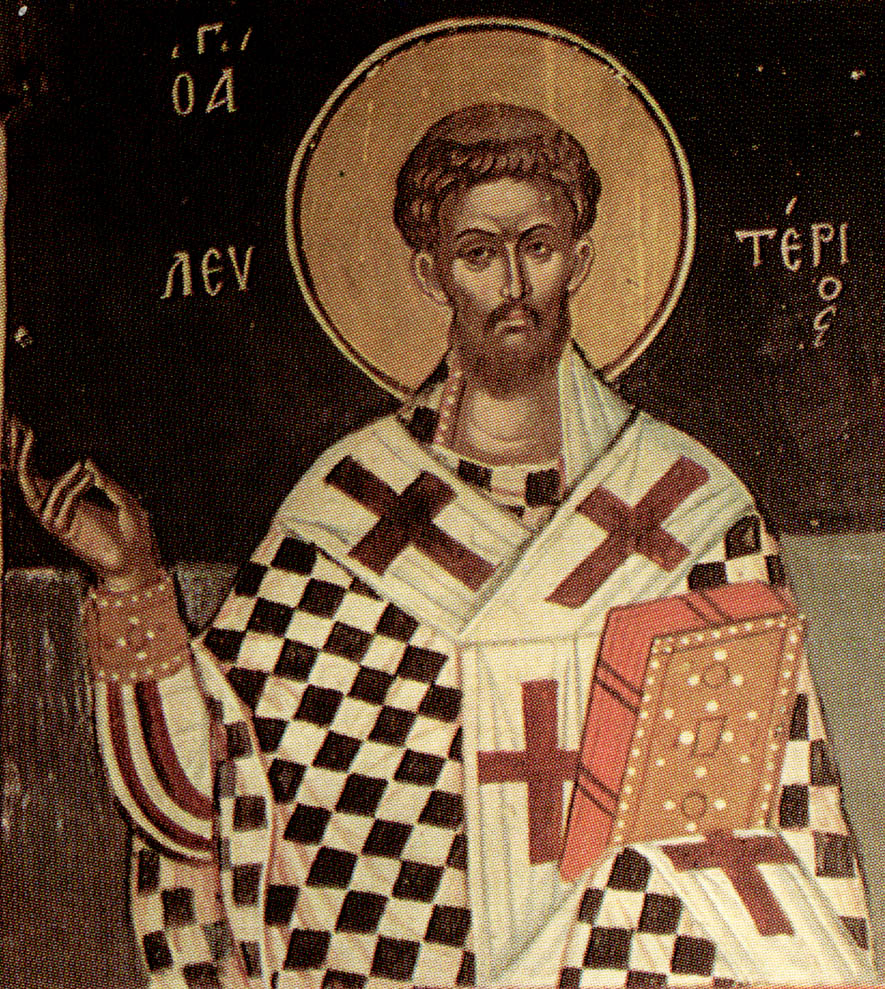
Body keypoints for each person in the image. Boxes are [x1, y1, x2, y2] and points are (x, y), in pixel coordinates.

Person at [8, 104, 876, 988]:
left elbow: (752, 836)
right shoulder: (347, 514)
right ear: (431, 274)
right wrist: (131, 584)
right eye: (477, 253)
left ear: (579, 259)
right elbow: (216, 801)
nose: (513, 283)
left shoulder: (691, 513)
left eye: (537, 246)